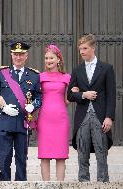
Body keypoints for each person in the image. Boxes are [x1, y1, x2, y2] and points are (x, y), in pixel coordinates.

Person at [0, 41, 42, 181]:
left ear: (26, 56)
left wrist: (34, 105)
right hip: (5, 123)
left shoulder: (34, 75)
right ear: (11, 55)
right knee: (4, 159)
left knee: (21, 159)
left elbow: (39, 97)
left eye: (21, 54)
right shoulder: (1, 73)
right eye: (16, 54)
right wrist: (2, 107)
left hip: (23, 124)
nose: (18, 57)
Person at [67, 34, 116, 182]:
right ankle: (83, 183)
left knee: (101, 153)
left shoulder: (106, 68)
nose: (82, 52)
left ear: (93, 48)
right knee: (82, 154)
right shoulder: (77, 70)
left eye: (85, 48)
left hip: (100, 116)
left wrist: (109, 117)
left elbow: (111, 95)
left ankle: (103, 183)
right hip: (82, 117)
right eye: (80, 49)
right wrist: (83, 94)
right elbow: (70, 95)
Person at [37, 44, 73, 181]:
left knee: (61, 155)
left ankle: (60, 186)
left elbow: (67, 100)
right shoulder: (40, 77)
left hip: (60, 119)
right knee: (44, 156)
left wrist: (74, 93)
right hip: (44, 119)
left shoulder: (67, 77)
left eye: (51, 58)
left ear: (58, 59)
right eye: (46, 58)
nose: (48, 60)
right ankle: (45, 185)